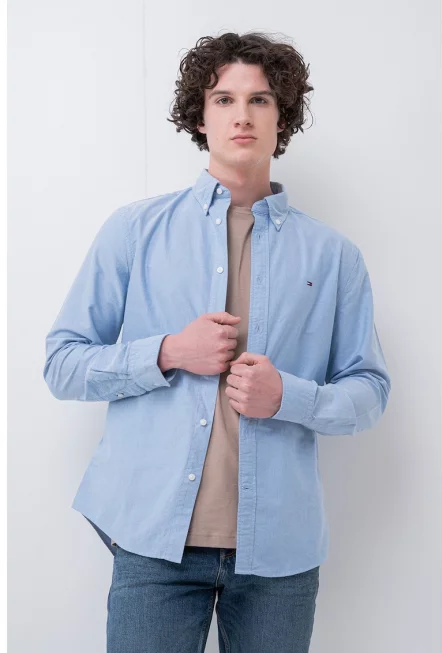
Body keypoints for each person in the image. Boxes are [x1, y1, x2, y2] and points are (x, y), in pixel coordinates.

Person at [43, 31, 391, 653]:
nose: (242, 116)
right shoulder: (135, 230)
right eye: (224, 99)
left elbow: (369, 391)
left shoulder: (334, 255)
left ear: (282, 116)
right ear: (199, 117)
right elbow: (62, 363)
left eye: (260, 100)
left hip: (278, 553)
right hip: (153, 541)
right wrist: (168, 352)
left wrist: (289, 396)